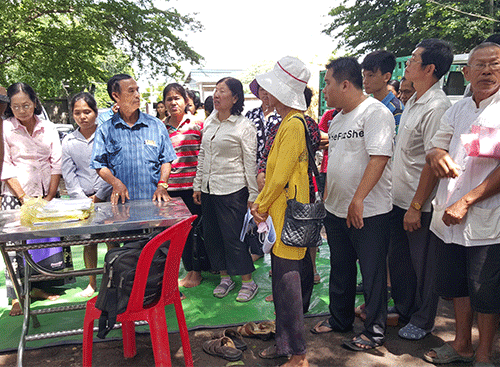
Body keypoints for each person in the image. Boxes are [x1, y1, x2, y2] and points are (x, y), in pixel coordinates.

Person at [423, 41, 500, 367]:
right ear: (465, 72)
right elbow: (435, 147)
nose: (487, 70)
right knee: (456, 285)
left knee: (484, 290)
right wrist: (437, 154)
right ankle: (462, 344)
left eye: (494, 64)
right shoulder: (458, 108)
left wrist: (467, 200)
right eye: (479, 65)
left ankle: (484, 354)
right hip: (449, 217)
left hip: (486, 219)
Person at [311, 57, 394, 352]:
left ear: (345, 84)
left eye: (328, 83)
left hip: (368, 211)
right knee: (340, 267)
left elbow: (379, 158)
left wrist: (358, 198)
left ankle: (373, 332)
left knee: (371, 273)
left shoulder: (374, 113)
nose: (325, 90)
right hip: (336, 208)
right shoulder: (337, 118)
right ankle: (340, 319)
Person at [251, 56, 313, 367]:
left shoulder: (293, 125)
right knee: (281, 284)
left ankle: (298, 353)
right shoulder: (289, 122)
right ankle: (284, 343)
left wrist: (259, 206)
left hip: (287, 217)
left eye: (268, 88)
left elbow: (279, 176)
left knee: (288, 288)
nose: (263, 93)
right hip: (281, 216)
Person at [390, 38, 453, 340]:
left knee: (424, 266)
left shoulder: (437, 105)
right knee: (401, 263)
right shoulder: (414, 100)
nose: (408, 63)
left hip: (421, 205)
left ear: (429, 68)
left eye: (414, 59)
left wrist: (417, 206)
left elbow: (432, 161)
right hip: (399, 199)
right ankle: (405, 310)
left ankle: (424, 318)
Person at [1, 82, 66, 316]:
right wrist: (23, 197)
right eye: (16, 106)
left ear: (35, 102)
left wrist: (49, 195)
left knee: (43, 244)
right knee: (14, 247)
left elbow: (56, 162)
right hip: (16, 195)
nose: (22, 111)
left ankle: (38, 288)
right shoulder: (5, 128)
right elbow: (5, 164)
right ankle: (18, 296)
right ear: (10, 107)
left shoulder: (48, 127)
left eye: (26, 105)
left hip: (47, 194)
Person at [193, 77, 259, 302]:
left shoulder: (244, 126)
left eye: (222, 91)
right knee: (213, 236)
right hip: (210, 189)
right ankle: (225, 278)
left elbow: (250, 162)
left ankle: (248, 282)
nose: (216, 95)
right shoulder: (210, 122)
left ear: (235, 98)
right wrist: (198, 184)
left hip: (233, 189)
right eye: (215, 91)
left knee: (234, 238)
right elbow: (203, 155)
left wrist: (253, 194)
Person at [90, 74, 177, 204]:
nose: (137, 95)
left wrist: (162, 185)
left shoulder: (156, 125)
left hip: (152, 202)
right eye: (131, 91)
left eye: (137, 90)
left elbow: (166, 159)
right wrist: (115, 182)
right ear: (116, 96)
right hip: (120, 205)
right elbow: (99, 165)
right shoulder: (105, 130)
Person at [62, 92, 114, 297]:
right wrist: (81, 199)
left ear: (95, 112)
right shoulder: (68, 141)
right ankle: (92, 282)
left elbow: (112, 167)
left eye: (87, 111)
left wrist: (100, 195)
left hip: (108, 196)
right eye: (77, 113)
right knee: (89, 242)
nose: (82, 116)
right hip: (81, 200)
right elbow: (68, 172)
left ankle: (113, 279)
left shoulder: (107, 135)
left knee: (112, 240)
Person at [162, 83, 205, 288]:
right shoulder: (161, 128)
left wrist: (199, 185)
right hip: (170, 191)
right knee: (175, 234)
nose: (173, 102)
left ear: (186, 101)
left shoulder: (197, 124)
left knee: (195, 231)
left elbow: (204, 155)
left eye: (177, 98)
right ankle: (185, 270)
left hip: (193, 189)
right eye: (169, 99)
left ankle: (195, 272)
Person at [361, 50, 404, 133]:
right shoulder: (366, 106)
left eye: (370, 75)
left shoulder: (396, 109)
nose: (365, 81)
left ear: (386, 77)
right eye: (364, 76)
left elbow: (397, 142)